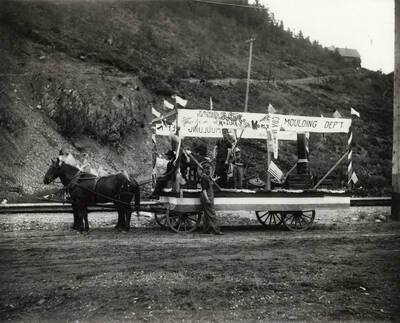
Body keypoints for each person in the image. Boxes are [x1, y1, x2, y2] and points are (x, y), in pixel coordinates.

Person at [198, 161, 223, 235]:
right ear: (204, 170)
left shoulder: (207, 177)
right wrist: (207, 199)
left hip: (208, 197)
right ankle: (217, 230)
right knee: (212, 214)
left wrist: (215, 179)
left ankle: (206, 230)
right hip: (207, 197)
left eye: (210, 169)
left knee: (206, 215)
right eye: (208, 169)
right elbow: (204, 190)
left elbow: (209, 184)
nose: (209, 171)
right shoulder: (204, 178)